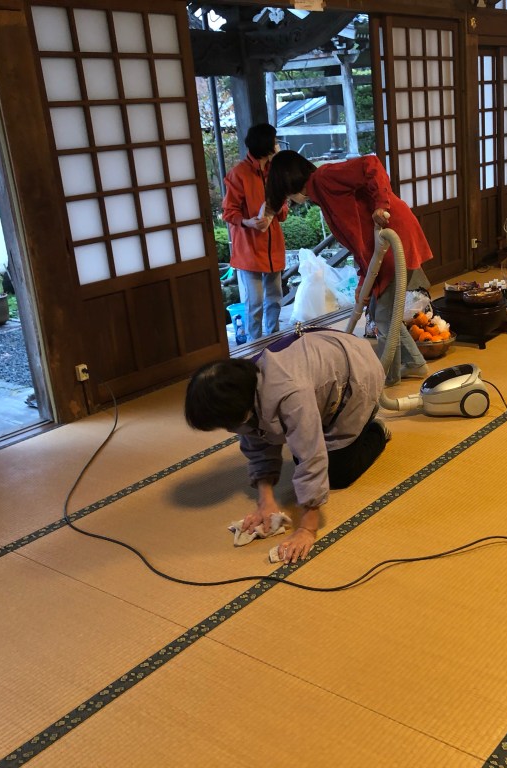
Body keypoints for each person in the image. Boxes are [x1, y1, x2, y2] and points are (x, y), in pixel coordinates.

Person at [184, 329, 389, 564]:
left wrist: (307, 529)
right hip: (320, 373)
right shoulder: (240, 389)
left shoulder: (290, 393)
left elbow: (311, 455)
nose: (227, 429)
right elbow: (256, 441)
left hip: (356, 372)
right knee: (301, 455)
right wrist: (265, 503)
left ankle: (376, 430)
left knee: (337, 473)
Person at [265, 150, 433, 386]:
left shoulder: (324, 178)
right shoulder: (322, 196)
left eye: (285, 195)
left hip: (394, 236)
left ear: (289, 180)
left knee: (384, 316)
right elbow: (357, 242)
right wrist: (364, 283)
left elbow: (370, 164)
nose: (290, 201)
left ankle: (388, 376)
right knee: (378, 311)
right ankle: (415, 363)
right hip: (380, 249)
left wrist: (381, 205)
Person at [222, 123, 288, 341]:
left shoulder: (275, 172)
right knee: (255, 301)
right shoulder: (238, 174)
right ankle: (254, 344)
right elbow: (229, 212)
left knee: (275, 297)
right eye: (274, 141)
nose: (277, 145)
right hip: (249, 248)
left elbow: (283, 209)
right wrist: (248, 222)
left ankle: (274, 339)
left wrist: (279, 208)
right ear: (265, 144)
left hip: (273, 246)